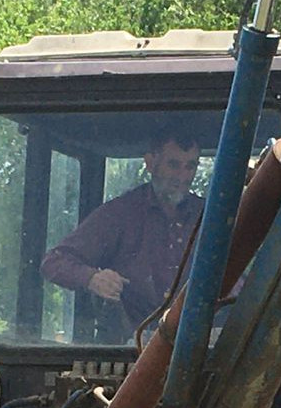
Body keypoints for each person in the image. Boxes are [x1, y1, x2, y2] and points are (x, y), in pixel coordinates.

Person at [40, 131, 204, 340]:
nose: (183, 177)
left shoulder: (211, 217)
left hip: (198, 345)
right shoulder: (120, 214)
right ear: (150, 163)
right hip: (128, 350)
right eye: (173, 165)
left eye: (190, 166)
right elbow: (53, 262)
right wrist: (93, 278)